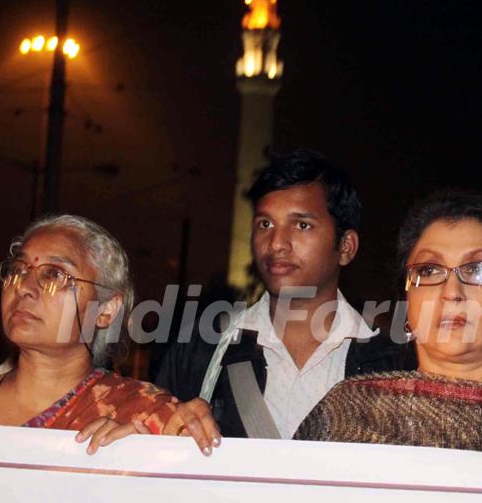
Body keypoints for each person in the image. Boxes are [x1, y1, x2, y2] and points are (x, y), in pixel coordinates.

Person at [295, 190, 482, 457]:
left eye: (479, 270)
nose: (452, 292)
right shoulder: (349, 413)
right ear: (407, 297)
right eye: (429, 270)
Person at [155, 151, 409, 453]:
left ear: (345, 247)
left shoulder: (392, 365)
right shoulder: (201, 350)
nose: (276, 243)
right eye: (265, 225)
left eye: (301, 225)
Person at [0, 215, 177, 454]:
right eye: (18, 270)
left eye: (55, 275)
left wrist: (146, 462)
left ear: (105, 310)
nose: (23, 287)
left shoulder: (148, 416)